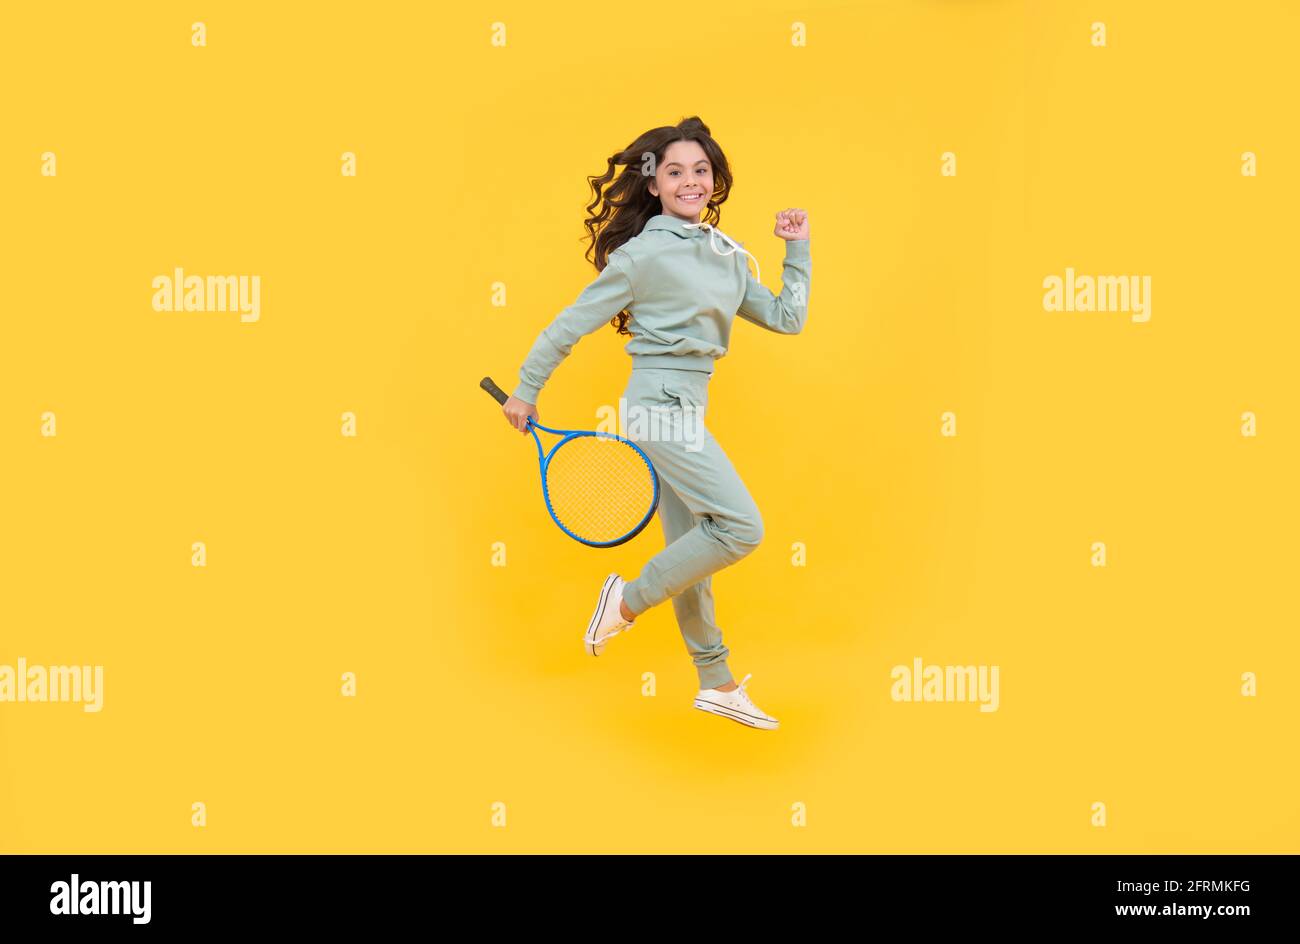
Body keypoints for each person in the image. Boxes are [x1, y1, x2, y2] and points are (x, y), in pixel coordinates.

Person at [501, 116, 811, 730]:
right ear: (654, 185)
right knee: (740, 528)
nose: (690, 181)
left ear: (714, 181)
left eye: (701, 170)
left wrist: (795, 249)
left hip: (690, 406)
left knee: (691, 554)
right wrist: (526, 389)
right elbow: (571, 323)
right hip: (657, 406)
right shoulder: (640, 256)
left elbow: (786, 318)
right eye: (675, 171)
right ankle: (626, 599)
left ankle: (715, 681)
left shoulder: (725, 256)